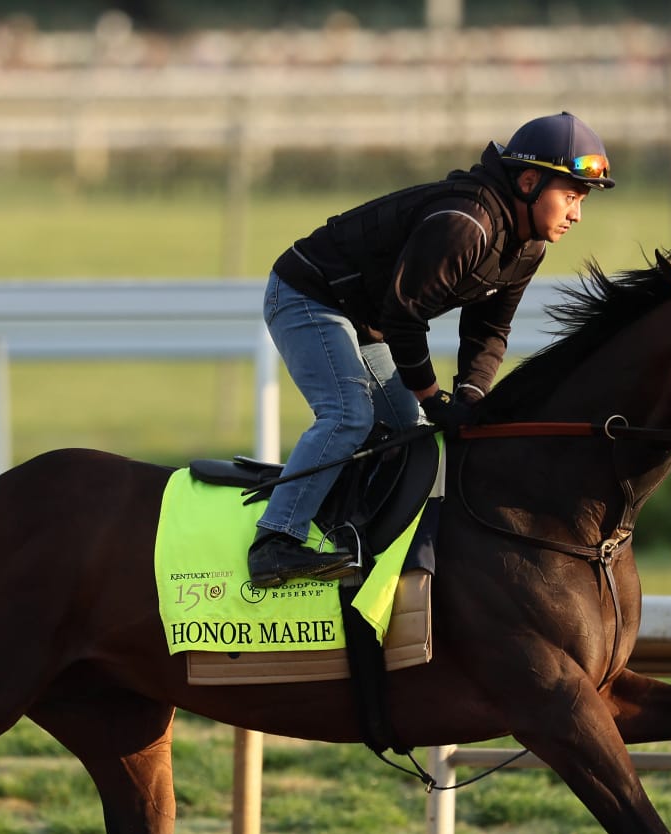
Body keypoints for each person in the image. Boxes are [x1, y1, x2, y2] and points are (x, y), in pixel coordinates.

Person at [248, 111, 616, 588]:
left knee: (412, 435)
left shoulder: (527, 247)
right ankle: (274, 543)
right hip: (308, 294)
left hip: (366, 319)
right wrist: (432, 396)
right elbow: (405, 316)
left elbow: (488, 331)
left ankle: (347, 530)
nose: (576, 214)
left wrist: (472, 396)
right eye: (570, 196)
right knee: (348, 413)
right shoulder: (467, 224)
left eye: (581, 200)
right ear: (528, 181)